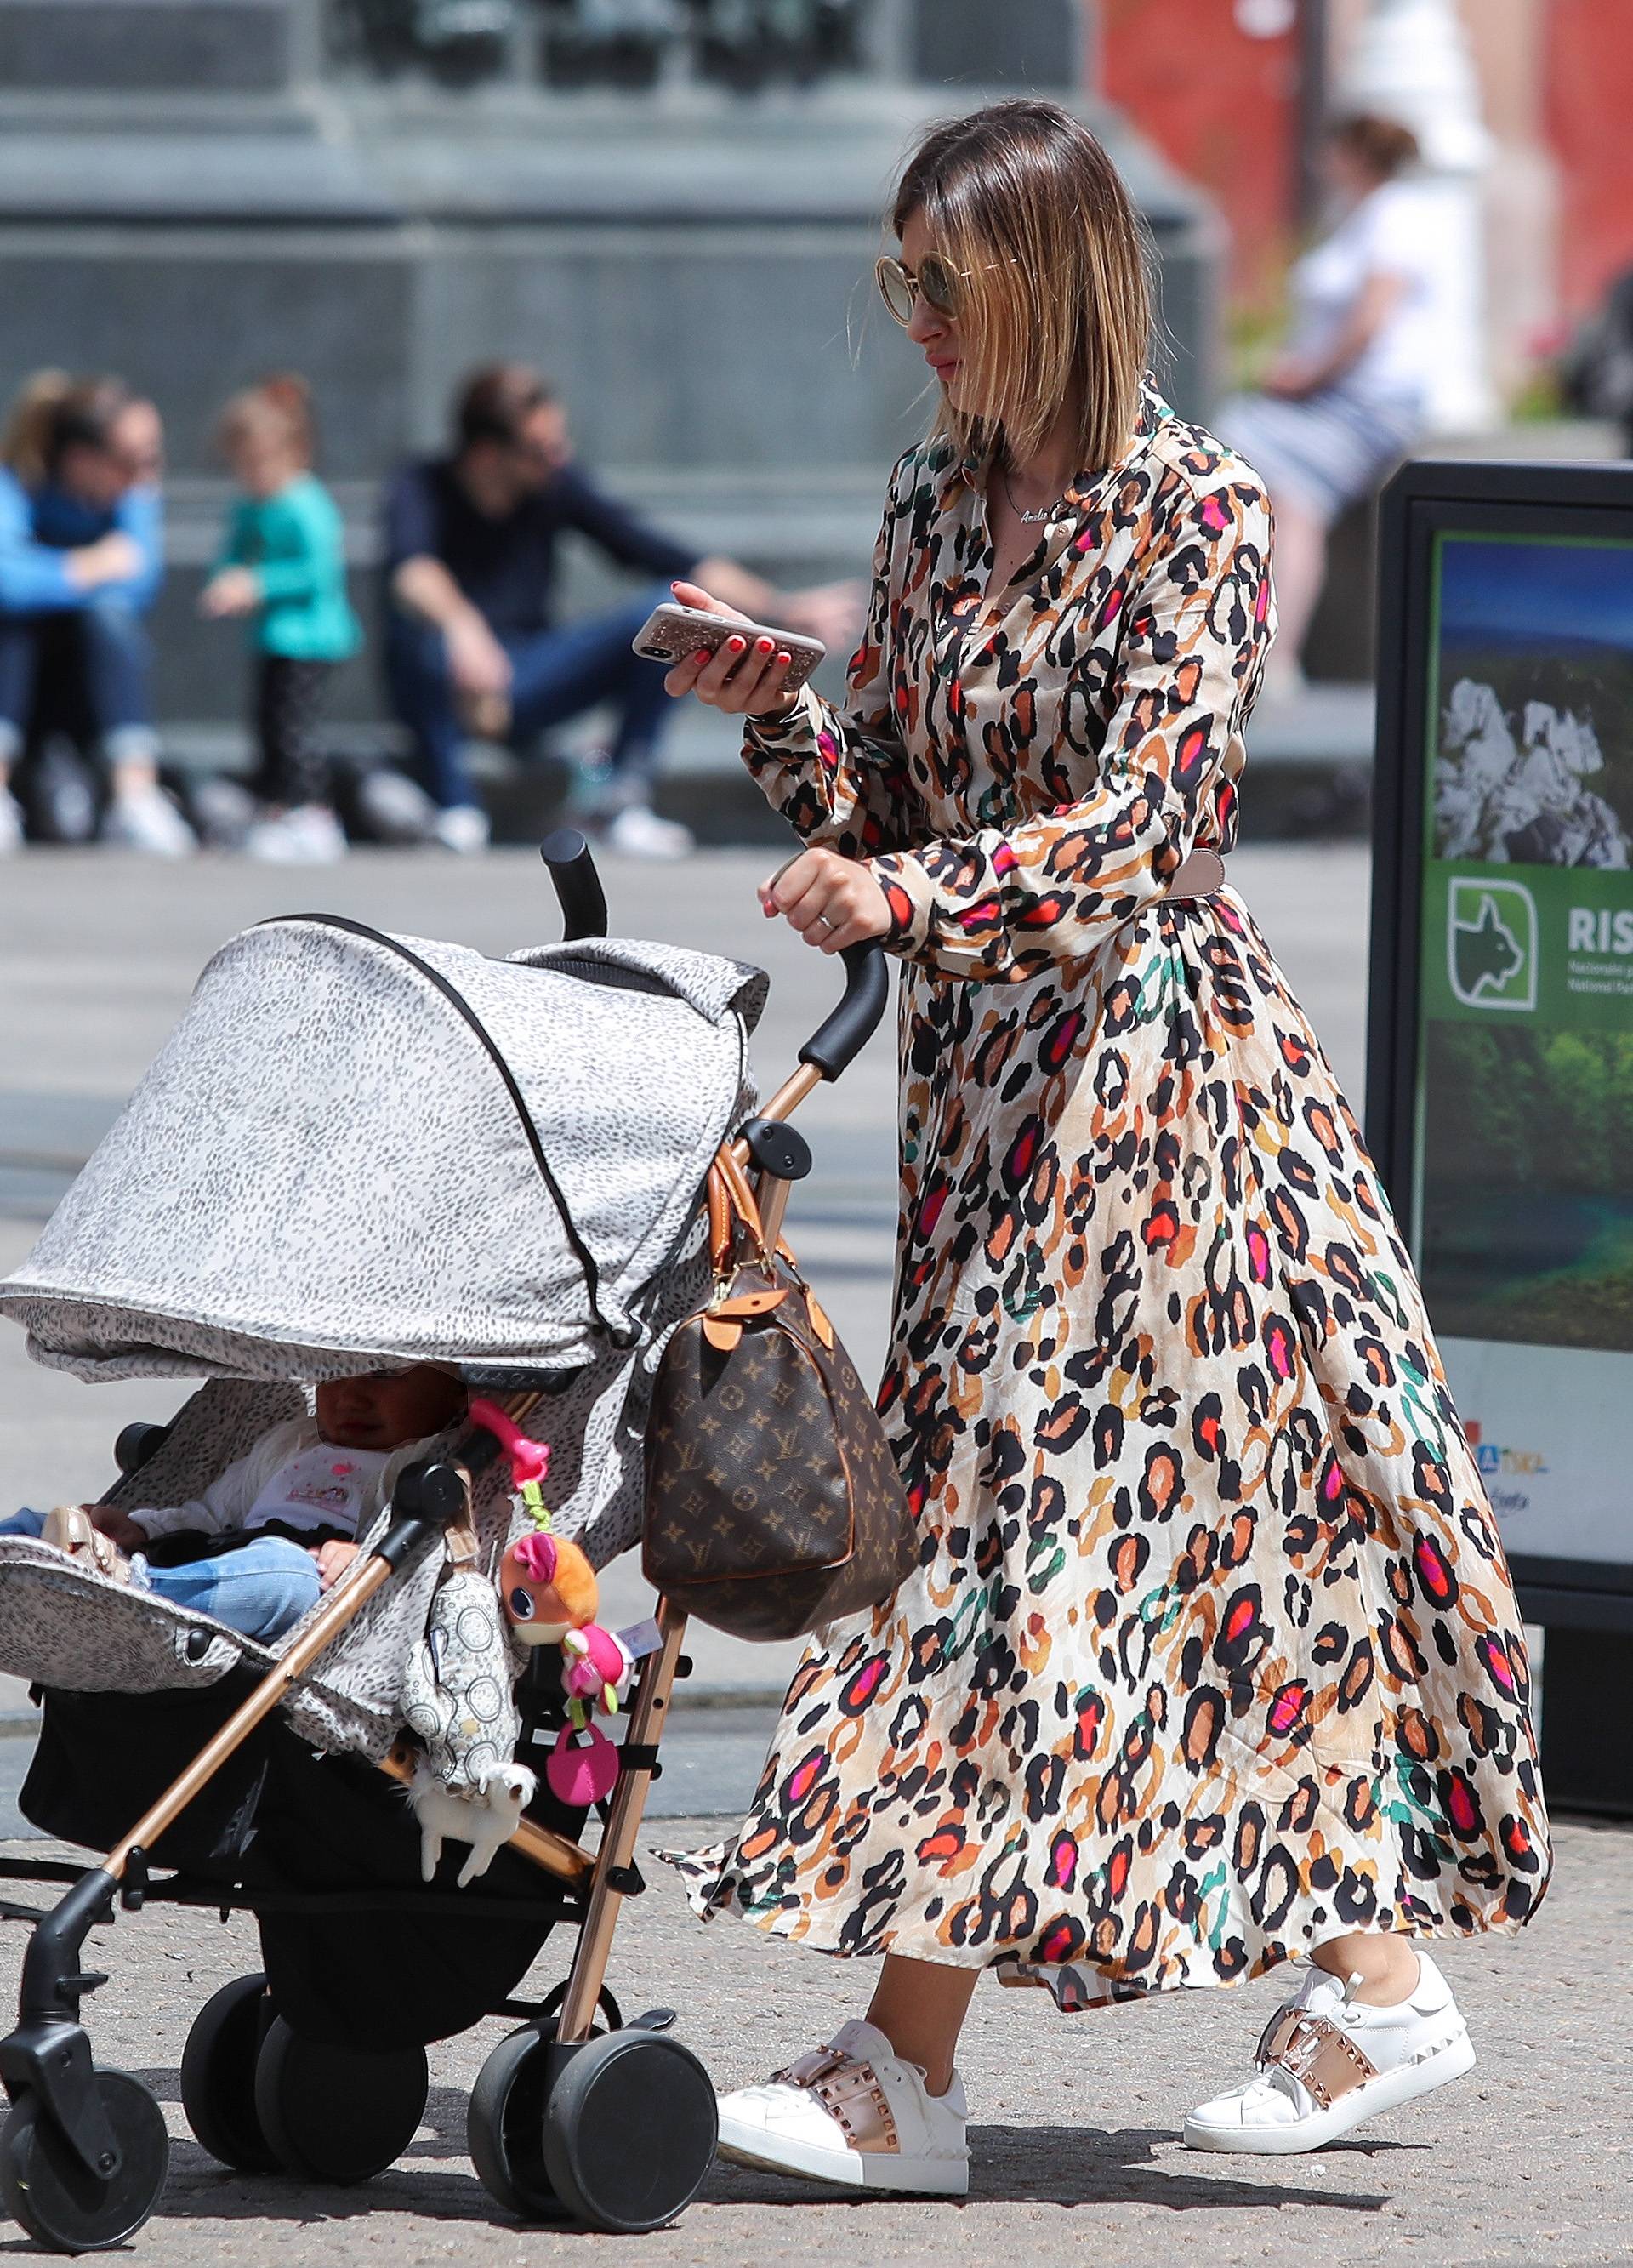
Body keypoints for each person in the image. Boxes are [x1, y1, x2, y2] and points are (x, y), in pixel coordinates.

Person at [663, 99, 1549, 2192]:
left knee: (1004, 1550)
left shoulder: (1199, 512)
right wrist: (774, 716)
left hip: (1157, 1103)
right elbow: (887, 794)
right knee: (1190, 1552)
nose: (919, 329)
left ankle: (908, 2069)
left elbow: (1151, 828)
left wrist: (920, 895)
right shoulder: (930, 495)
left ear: (1046, 279)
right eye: (901, 289)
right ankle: (1375, 1979)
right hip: (988, 1113)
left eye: (941, 290)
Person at [381, 362, 859, 858]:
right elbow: (411, 571)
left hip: (530, 673)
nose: (559, 458)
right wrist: (463, 628)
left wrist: (779, 609)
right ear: (485, 455)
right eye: (540, 450)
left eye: (559, 443)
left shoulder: (554, 485)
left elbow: (662, 554)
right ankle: (454, 807)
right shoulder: (420, 486)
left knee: (668, 614)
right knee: (424, 635)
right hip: (448, 683)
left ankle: (619, 802)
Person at [1215, 113, 1442, 699]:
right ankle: (1265, 647)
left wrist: (1304, 378)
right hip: (1334, 401)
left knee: (1264, 468)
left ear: (1357, 154)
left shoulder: (1394, 218)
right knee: (1250, 462)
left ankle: (1277, 653)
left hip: (1364, 404)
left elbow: (1369, 320)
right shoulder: (1357, 217)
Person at [0, 1365, 467, 1644]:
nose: (350, 1395)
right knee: (55, 1522)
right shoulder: (292, 1442)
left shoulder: (430, 1465)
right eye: (331, 1373)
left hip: (307, 1586)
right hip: (222, 1556)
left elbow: (435, 1563)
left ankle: (128, 1588)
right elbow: (210, 1513)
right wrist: (142, 1528)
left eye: (382, 1374)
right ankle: (19, 1546)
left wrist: (367, 1560)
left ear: (455, 1390)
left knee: (284, 1574)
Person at [0, 373, 188, 855]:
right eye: (135, 459)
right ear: (83, 460)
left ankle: (135, 796)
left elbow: (139, 581)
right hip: (16, 686)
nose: (150, 472)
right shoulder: (16, 483)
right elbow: (5, 582)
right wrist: (87, 566)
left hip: (90, 697)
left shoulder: (134, 495)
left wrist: (47, 579)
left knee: (108, 614)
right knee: (15, 627)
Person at [200, 374, 362, 864]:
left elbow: (317, 572)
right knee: (269, 723)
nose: (251, 476)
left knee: (295, 728)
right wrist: (225, 578)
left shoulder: (306, 506)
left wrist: (258, 584)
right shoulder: (253, 508)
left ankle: (311, 811)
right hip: (273, 637)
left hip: (310, 638)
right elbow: (233, 552)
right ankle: (278, 806)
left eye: (260, 464)